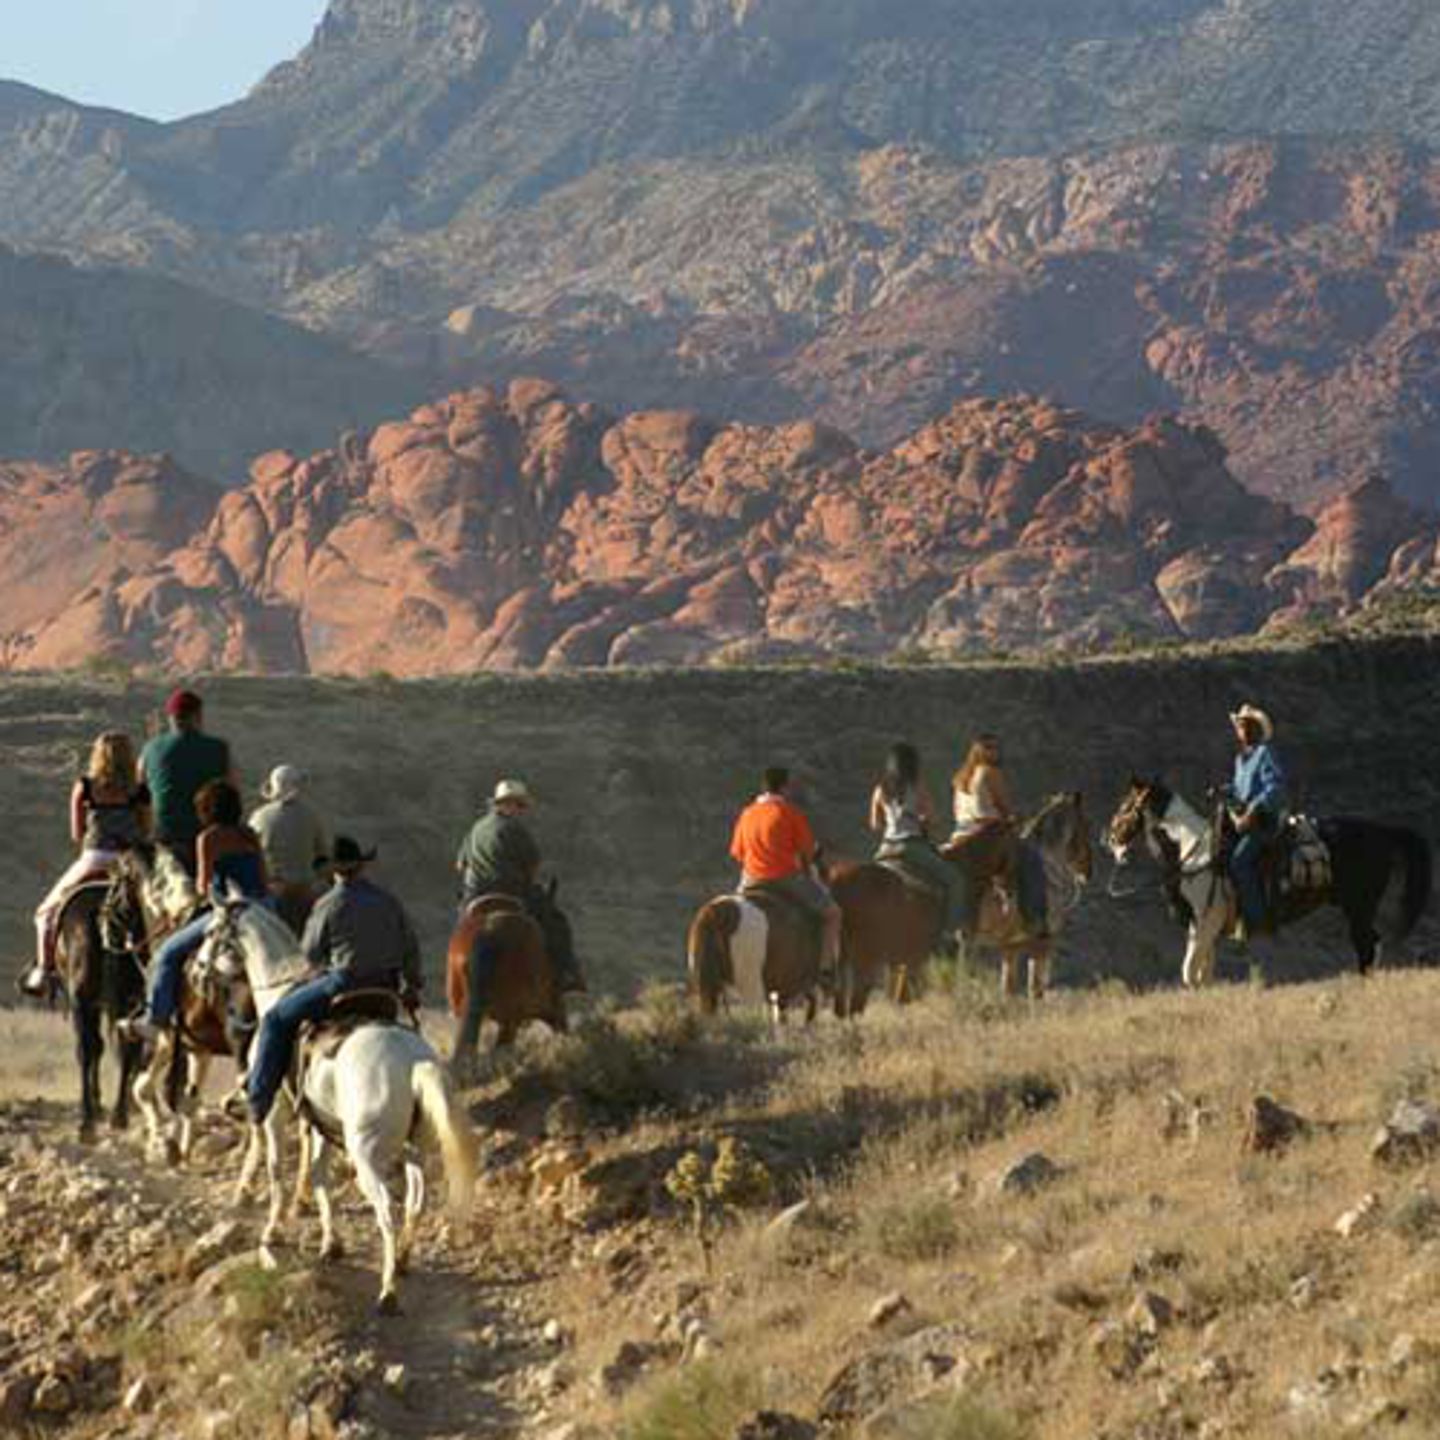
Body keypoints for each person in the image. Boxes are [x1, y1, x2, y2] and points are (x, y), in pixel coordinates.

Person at [246, 836, 422, 1125]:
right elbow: (410, 947)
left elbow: (309, 954)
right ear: (362, 866)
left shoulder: (328, 903)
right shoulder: (388, 900)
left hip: (343, 984)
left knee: (275, 1019)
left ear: (332, 871)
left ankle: (258, 1099)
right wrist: (412, 985)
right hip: (386, 987)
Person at [121, 779, 267, 1043]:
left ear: (207, 811)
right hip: (264, 910)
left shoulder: (208, 838)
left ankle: (155, 1019)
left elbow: (202, 886)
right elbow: (263, 879)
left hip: (230, 912)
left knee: (167, 953)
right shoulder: (250, 835)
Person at [23, 732, 151, 997]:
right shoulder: (139, 791)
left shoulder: (85, 787)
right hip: (130, 863)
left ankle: (45, 972)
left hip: (95, 858)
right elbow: (145, 829)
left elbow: (77, 833)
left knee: (45, 914)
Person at [455, 779, 585, 992]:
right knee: (557, 923)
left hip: (475, 894)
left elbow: (460, 865)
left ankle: (458, 979)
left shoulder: (476, 828)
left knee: (462, 930)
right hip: (513, 891)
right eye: (519, 805)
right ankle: (566, 972)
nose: (520, 810)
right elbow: (532, 865)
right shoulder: (514, 829)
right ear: (508, 804)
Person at [730, 767, 841, 978]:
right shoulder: (790, 813)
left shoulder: (747, 814)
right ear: (784, 787)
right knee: (833, 914)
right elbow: (808, 853)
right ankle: (825, 969)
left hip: (750, 880)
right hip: (785, 878)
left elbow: (738, 854)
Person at [949, 735, 1047, 937]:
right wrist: (1018, 817)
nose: (995, 752)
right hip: (989, 834)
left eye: (996, 748)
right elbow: (1006, 808)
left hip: (960, 835)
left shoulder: (959, 778)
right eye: (990, 748)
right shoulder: (990, 772)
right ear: (979, 751)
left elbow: (957, 812)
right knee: (1032, 859)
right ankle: (1034, 919)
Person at [868, 742, 963, 942]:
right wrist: (923, 822)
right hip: (911, 847)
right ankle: (949, 933)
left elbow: (875, 825)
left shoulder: (880, 789)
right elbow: (933, 819)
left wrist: (891, 822)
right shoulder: (917, 787)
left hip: (885, 848)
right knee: (955, 880)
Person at [138, 689, 236, 878]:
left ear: (170, 718)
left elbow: (141, 792)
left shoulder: (150, 749)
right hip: (207, 834)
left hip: (164, 834)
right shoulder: (219, 748)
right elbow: (232, 789)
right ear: (198, 716)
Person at [1226, 704, 1287, 938]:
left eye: (1246, 725)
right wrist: (1224, 791)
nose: (1242, 730)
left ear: (1256, 729)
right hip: (1242, 820)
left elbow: (1275, 786)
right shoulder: (1240, 760)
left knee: (1239, 862)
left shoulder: (1265, 753)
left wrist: (1253, 809)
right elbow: (1239, 790)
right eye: (1239, 726)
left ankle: (1257, 919)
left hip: (1263, 822)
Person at [249, 765, 330, 933]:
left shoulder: (259, 817)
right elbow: (322, 854)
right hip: (305, 891)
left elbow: (251, 854)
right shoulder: (311, 815)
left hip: (273, 891)